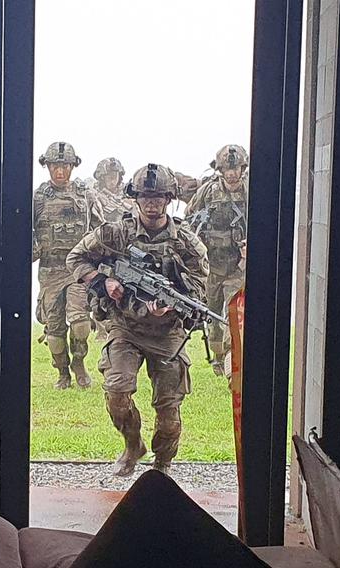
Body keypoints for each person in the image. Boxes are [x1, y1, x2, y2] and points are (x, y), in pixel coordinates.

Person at [67, 164, 209, 477]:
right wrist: (103, 282)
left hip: (167, 333)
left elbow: (200, 285)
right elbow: (76, 258)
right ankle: (133, 445)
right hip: (124, 326)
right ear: (135, 197)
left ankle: (162, 464)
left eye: (159, 196)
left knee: (169, 413)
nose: (152, 202)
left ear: (169, 198)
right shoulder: (115, 232)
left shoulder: (187, 242)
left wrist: (172, 305)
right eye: (146, 196)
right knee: (117, 393)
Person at [33, 141, 105, 389]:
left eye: (64, 166)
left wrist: (100, 258)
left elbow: (100, 229)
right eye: (55, 166)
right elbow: (25, 228)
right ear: (48, 166)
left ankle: (79, 362)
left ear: (73, 166)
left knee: (80, 323)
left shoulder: (85, 195)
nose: (60, 171)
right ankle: (62, 373)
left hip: (78, 270)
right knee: (54, 329)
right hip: (50, 271)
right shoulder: (40, 197)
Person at [185, 144, 248, 378]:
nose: (232, 173)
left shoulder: (250, 190)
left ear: (243, 168)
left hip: (236, 267)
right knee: (212, 314)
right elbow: (189, 220)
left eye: (236, 168)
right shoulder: (208, 192)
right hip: (211, 265)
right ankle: (218, 357)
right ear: (220, 170)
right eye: (227, 169)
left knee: (233, 313)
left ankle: (233, 364)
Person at [90, 157, 131, 223]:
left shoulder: (126, 193)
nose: (112, 181)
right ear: (102, 178)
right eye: (109, 177)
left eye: (115, 177)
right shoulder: (93, 195)